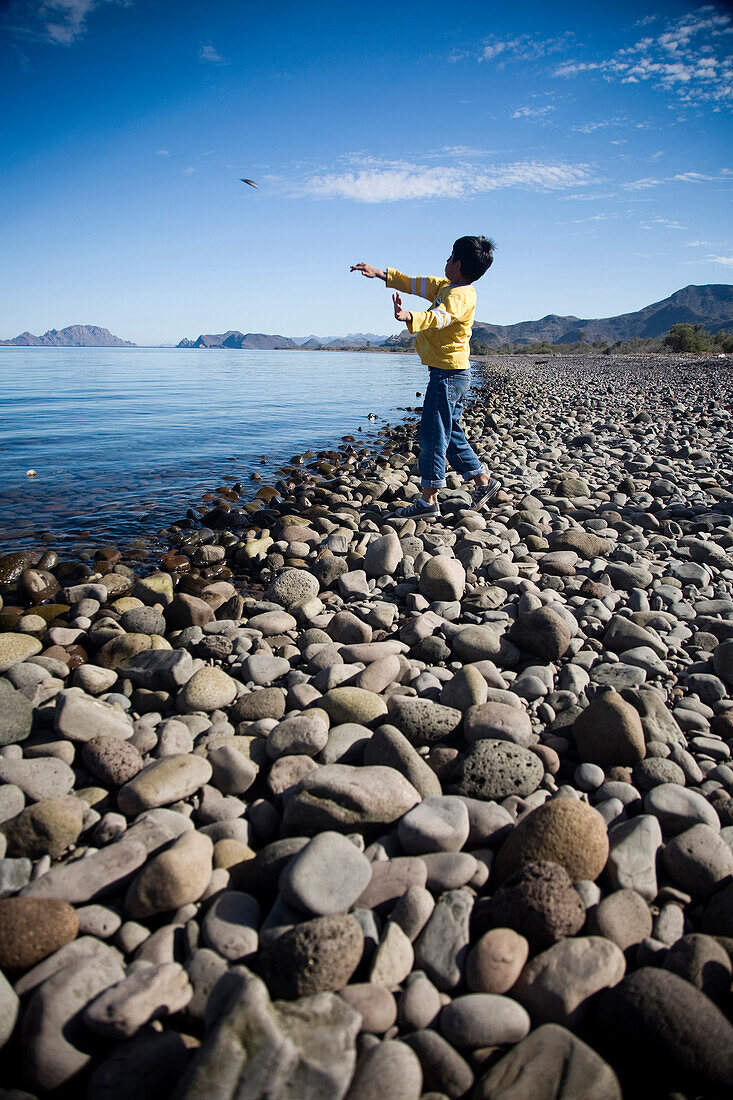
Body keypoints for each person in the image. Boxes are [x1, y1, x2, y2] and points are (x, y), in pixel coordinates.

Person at [351, 236, 500, 518]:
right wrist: (379, 273)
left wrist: (410, 316)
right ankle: (483, 482)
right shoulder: (446, 286)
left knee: (432, 434)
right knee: (450, 431)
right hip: (452, 373)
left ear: (456, 264)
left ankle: (428, 501)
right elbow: (412, 282)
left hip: (448, 375)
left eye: (449, 256)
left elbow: (442, 318)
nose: (445, 261)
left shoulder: (459, 296)